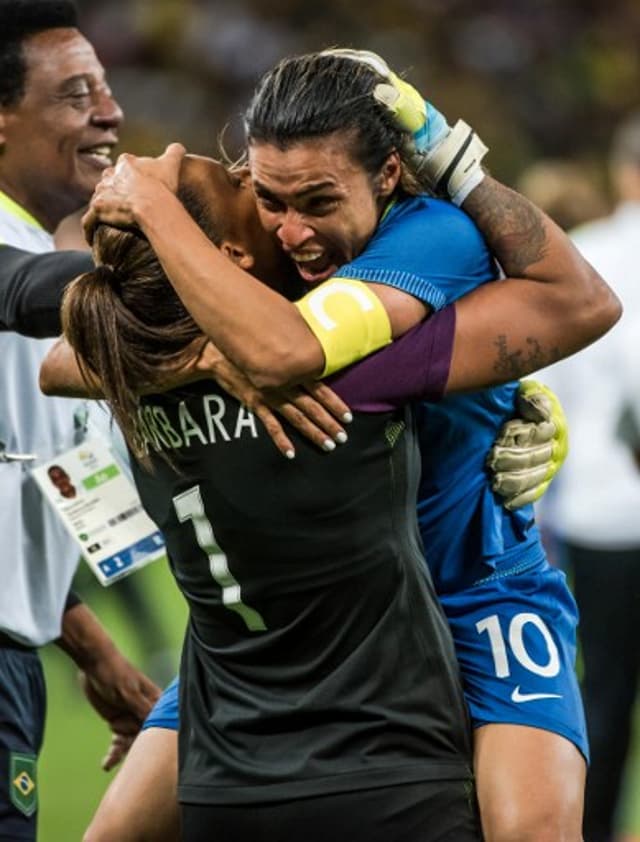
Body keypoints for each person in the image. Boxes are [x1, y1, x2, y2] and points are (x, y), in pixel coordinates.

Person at [81, 50, 621, 842]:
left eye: (318, 200)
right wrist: (199, 354)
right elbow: (73, 355)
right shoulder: (252, 260)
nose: (292, 230)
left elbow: (287, 351)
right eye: (268, 199)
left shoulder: (431, 234)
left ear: (391, 173)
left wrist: (204, 338)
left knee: (530, 833)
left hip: (473, 595)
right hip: (314, 617)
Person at [0, 3, 161, 838]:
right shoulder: (25, 271)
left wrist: (95, 655)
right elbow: (26, 292)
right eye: (75, 95)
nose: (110, 112)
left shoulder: (28, 244)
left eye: (105, 88)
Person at [536, 112, 640, 842]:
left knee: (602, 697)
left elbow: (544, 404)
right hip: (607, 508)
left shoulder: (587, 260)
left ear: (623, 174)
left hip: (606, 516)